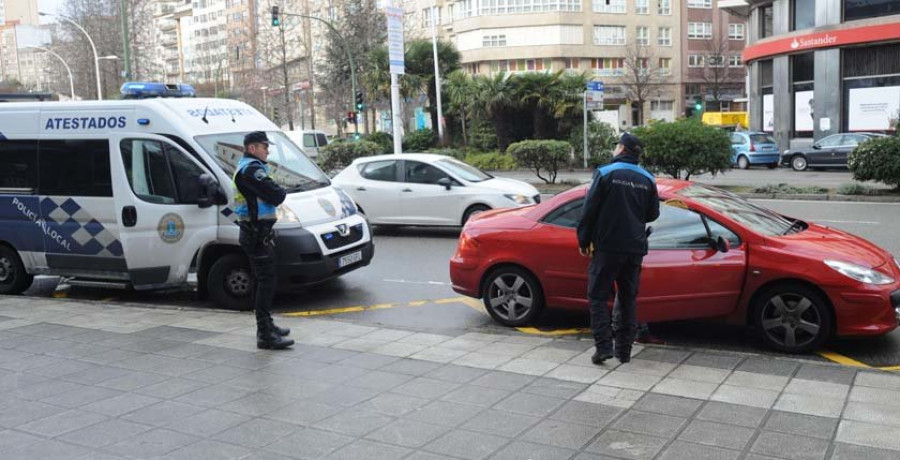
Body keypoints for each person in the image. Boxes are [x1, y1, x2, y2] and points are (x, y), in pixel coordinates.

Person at [577, 132, 659, 365]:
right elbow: (653, 214)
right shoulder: (648, 178)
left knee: (597, 296)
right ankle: (624, 351)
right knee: (627, 298)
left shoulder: (604, 173)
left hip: (607, 247)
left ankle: (603, 347)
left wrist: (583, 241)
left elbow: (589, 211)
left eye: (617, 146)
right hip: (634, 248)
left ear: (622, 149)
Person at [233, 131, 294, 350]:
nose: (267, 150)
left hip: (255, 233)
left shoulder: (246, 167)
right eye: (264, 146)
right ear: (252, 148)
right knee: (265, 283)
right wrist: (281, 189)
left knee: (262, 281)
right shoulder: (251, 170)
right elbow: (276, 195)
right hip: (256, 234)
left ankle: (267, 326)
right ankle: (265, 334)